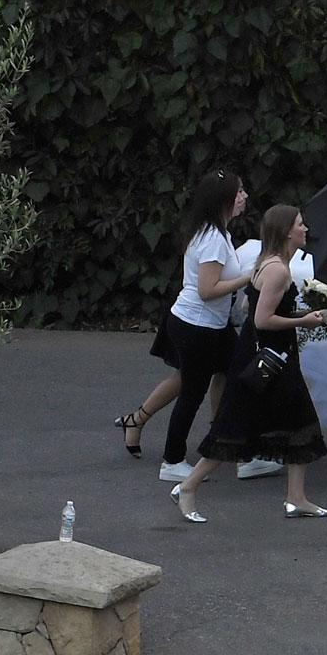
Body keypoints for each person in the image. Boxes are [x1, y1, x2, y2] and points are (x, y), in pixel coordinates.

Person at [168, 205, 327, 523]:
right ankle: (187, 487)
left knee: (300, 421)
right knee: (235, 426)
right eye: (300, 224)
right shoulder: (278, 270)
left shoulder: (269, 263)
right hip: (268, 360)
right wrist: (305, 321)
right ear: (287, 231)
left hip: (271, 356)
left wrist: (301, 315)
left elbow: (249, 302)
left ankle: (296, 498)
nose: (305, 229)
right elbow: (262, 319)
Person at [114, 192, 281, 480]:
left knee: (229, 375)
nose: (245, 196)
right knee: (195, 387)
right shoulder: (214, 238)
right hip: (197, 324)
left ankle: (228, 445)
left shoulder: (218, 232)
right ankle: (176, 459)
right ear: (224, 199)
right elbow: (207, 290)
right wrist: (251, 277)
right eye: (239, 191)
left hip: (209, 324)